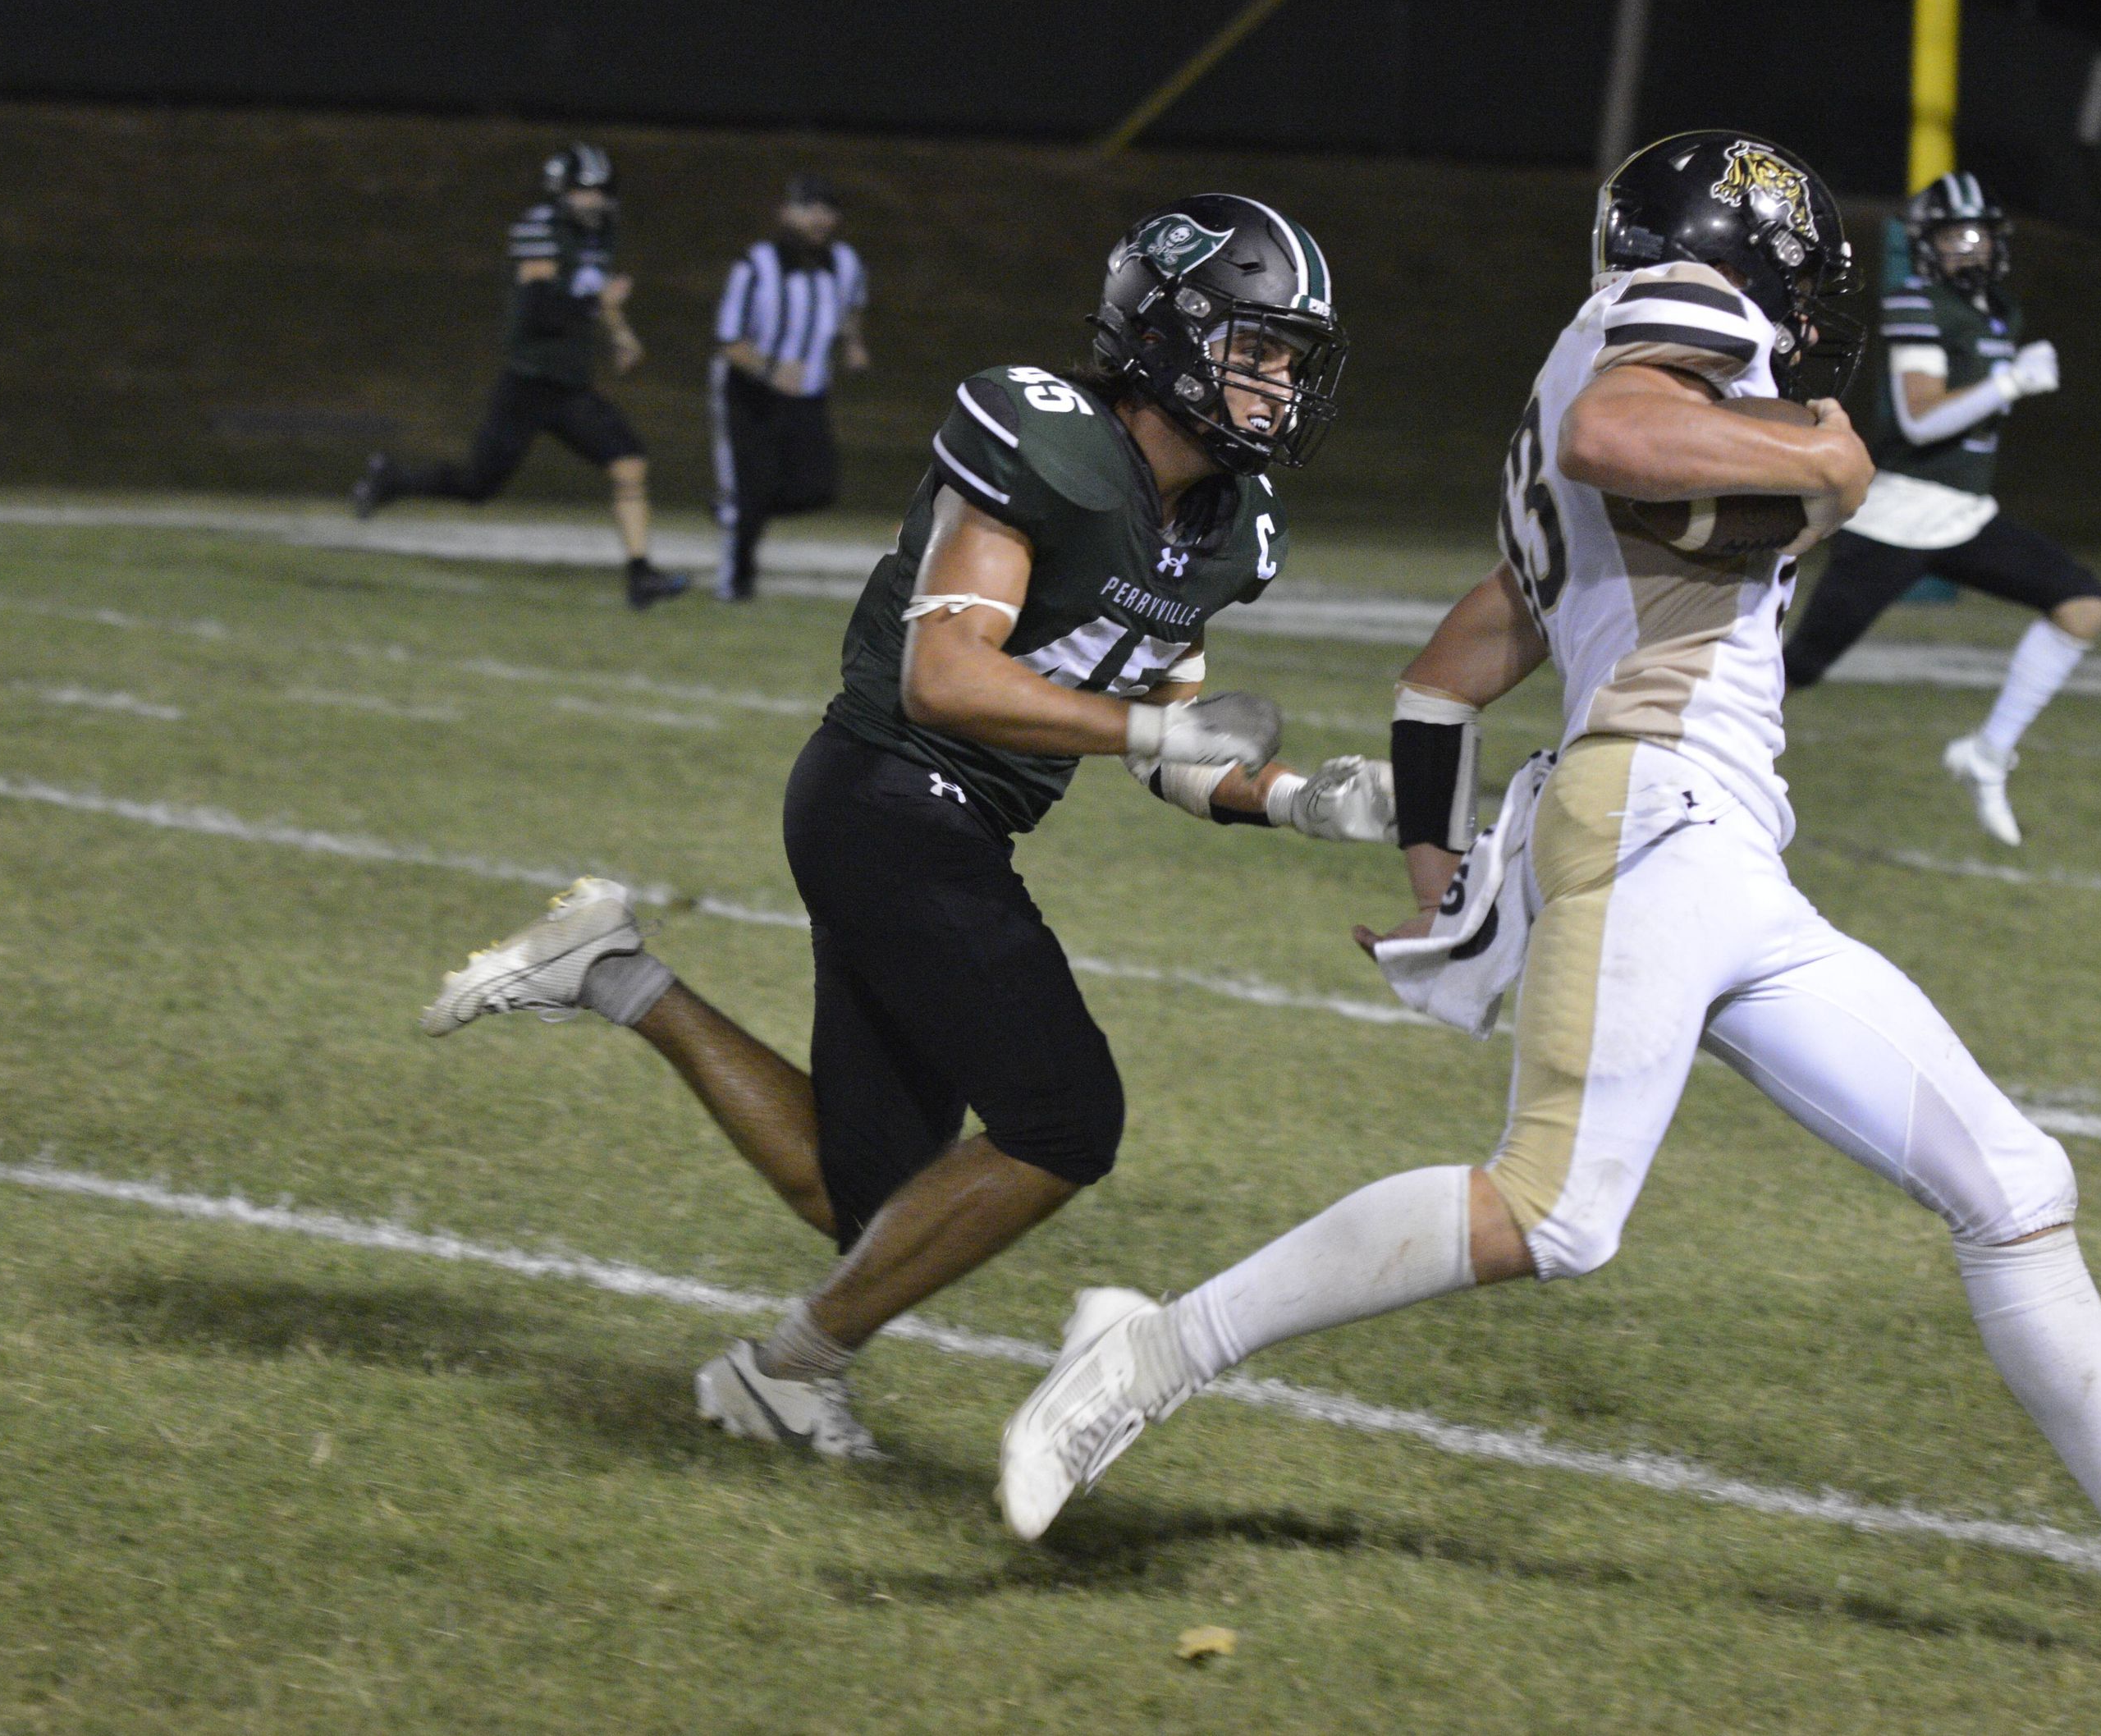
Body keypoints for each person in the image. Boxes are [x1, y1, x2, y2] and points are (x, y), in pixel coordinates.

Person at [997, 132, 2101, 1672]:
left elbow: (1446, 672)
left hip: (1721, 850)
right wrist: (1829, 462)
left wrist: (1438, 861)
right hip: (1658, 814)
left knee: (2013, 1183)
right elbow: (1618, 433)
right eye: (1798, 264)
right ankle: (1149, 1348)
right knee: (1552, 1208)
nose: (1807, 303)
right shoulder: (1672, 320)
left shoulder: (1596, 365)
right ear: (1743, 253)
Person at [415, 196, 1396, 1459]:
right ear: (1163, 331)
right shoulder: (1045, 438)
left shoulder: (1229, 527)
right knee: (1063, 1118)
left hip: (949, 824)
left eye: (1291, 360)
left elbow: (1182, 748)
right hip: (886, 788)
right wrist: (1159, 736)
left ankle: (615, 971)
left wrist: (1306, 799)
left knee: (868, 1193)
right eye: (1254, 349)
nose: (1277, 384)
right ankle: (786, 1369)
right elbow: (948, 678)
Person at [1779, 171, 2101, 844]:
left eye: (1978, 235)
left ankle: (1986, 755)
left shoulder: (1998, 313)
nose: (1969, 248)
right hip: (1899, 516)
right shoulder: (1916, 302)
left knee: (2082, 604)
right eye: (1954, 236)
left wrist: (2005, 379)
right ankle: (1678, 742)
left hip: (1964, 515)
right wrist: (2011, 380)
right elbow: (1922, 420)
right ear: (1927, 246)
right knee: (1801, 666)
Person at [352, 140, 690, 610]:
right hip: (529, 382)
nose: (594, 201)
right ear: (561, 192)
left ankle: (640, 576)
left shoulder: (600, 233)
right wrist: (602, 307)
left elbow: (592, 297)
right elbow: (540, 310)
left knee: (629, 460)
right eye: (583, 191)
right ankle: (393, 479)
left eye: (600, 191)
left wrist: (619, 334)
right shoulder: (540, 229)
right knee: (478, 486)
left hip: (571, 386)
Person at [710, 175, 872, 601]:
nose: (819, 218)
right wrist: (769, 371)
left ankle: (740, 509)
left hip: (809, 393)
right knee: (752, 485)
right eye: (808, 207)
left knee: (817, 488)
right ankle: (735, 583)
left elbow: (853, 306)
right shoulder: (756, 264)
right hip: (752, 392)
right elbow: (728, 340)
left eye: (827, 208)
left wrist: (853, 344)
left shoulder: (845, 263)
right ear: (785, 213)